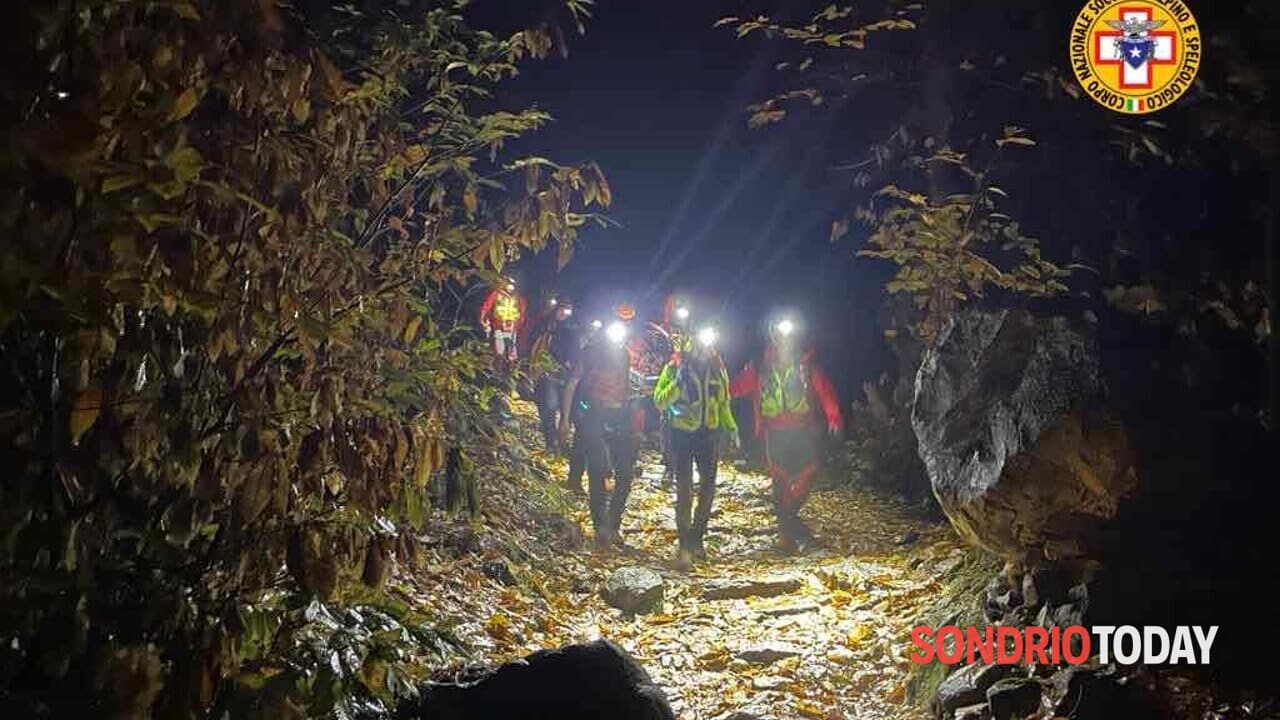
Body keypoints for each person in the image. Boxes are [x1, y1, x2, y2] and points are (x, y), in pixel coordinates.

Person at [730, 316, 842, 554]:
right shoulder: (760, 366)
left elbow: (825, 392)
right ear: (772, 337)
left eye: (788, 335)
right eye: (779, 335)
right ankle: (789, 538)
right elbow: (736, 387)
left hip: (803, 429)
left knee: (808, 474)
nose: (784, 340)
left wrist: (834, 419)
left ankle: (789, 528)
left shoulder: (806, 366)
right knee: (780, 483)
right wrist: (715, 387)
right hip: (774, 432)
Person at [653, 325, 738, 570]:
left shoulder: (717, 369)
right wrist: (677, 384)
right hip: (681, 435)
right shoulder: (675, 367)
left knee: (708, 490)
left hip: (708, 435)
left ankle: (697, 538)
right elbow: (659, 401)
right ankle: (684, 545)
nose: (703, 349)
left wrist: (731, 428)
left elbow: (724, 402)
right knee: (684, 491)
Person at [560, 304, 639, 551]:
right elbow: (573, 383)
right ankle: (600, 526)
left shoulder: (626, 355)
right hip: (593, 414)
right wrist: (564, 418)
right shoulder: (590, 352)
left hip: (620, 416)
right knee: (598, 470)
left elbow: (628, 385)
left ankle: (613, 524)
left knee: (625, 474)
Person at [528, 296, 578, 454]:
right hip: (547, 373)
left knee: (566, 412)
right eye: (561, 308)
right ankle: (551, 442)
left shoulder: (572, 330)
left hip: (565, 373)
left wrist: (571, 364)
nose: (564, 312)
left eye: (567, 309)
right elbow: (536, 346)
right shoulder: (545, 326)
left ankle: (562, 444)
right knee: (548, 407)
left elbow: (575, 350)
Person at [478, 278, 527, 376]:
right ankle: (498, 370)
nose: (510, 287)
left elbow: (522, 312)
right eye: (509, 284)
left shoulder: (518, 298)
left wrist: (519, 325)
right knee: (499, 349)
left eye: (512, 285)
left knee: (512, 350)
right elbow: (486, 306)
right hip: (499, 326)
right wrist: (483, 319)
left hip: (513, 328)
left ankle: (512, 372)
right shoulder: (496, 294)